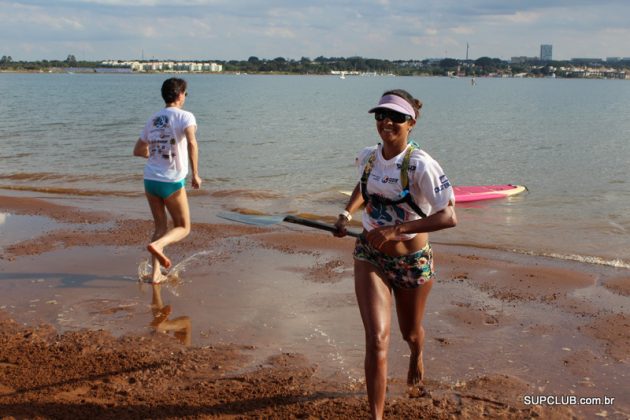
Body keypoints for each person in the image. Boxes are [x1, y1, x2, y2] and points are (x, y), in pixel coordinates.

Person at [334, 89, 457, 419]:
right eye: (380, 115)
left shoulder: (421, 165)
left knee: (410, 332)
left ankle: (417, 352)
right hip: (370, 255)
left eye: (396, 117)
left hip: (411, 262)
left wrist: (396, 230)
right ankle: (376, 416)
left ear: (411, 123)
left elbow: (449, 216)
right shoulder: (368, 157)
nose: (386, 122)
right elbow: (363, 186)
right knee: (376, 339)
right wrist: (346, 214)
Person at [133, 77, 201, 284]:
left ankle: (155, 275)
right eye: (185, 94)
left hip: (150, 180)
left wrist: (157, 155)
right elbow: (191, 142)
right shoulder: (185, 116)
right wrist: (196, 173)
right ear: (180, 95)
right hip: (171, 181)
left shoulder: (153, 119)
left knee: (160, 227)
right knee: (183, 227)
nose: (185, 97)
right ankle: (158, 246)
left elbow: (138, 150)